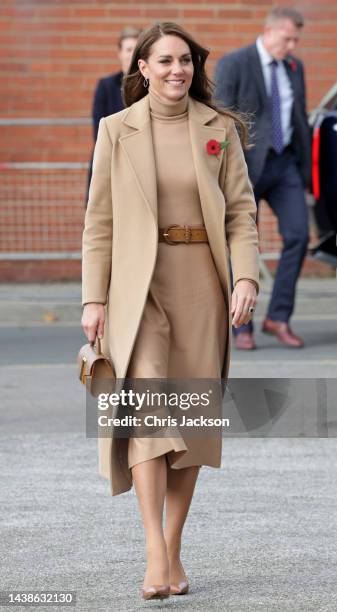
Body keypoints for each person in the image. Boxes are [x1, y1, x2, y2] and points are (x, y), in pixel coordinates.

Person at [81, 21, 259, 601]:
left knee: (193, 427)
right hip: (138, 289)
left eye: (185, 60)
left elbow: (240, 215)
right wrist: (93, 298)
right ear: (143, 69)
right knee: (150, 411)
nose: (177, 70)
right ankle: (154, 553)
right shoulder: (115, 130)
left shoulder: (220, 129)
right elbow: (98, 224)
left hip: (202, 287)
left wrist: (247, 277)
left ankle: (174, 546)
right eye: (164, 61)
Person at [214, 6, 311, 350]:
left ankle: (278, 317)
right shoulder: (235, 63)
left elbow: (299, 117)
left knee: (299, 235)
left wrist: (306, 172)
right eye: (288, 38)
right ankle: (242, 324)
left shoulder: (294, 68)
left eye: (296, 39)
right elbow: (220, 115)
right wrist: (222, 171)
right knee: (240, 244)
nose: (292, 45)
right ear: (268, 32)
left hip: (285, 165)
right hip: (246, 168)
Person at [85, 27, 141, 204]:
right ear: (120, 53)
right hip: (109, 161)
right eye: (128, 49)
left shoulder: (150, 86)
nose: (132, 55)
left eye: (136, 49)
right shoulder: (106, 86)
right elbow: (99, 131)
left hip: (140, 164)